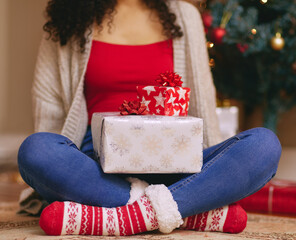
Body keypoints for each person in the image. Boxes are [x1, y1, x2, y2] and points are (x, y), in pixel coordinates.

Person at [17, 0, 281, 236]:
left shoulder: (185, 15)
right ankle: (189, 210)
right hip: (97, 168)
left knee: (263, 146)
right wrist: (52, 170)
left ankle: (123, 216)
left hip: (175, 164)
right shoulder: (69, 17)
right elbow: (51, 114)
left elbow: (202, 102)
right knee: (35, 150)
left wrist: (212, 168)